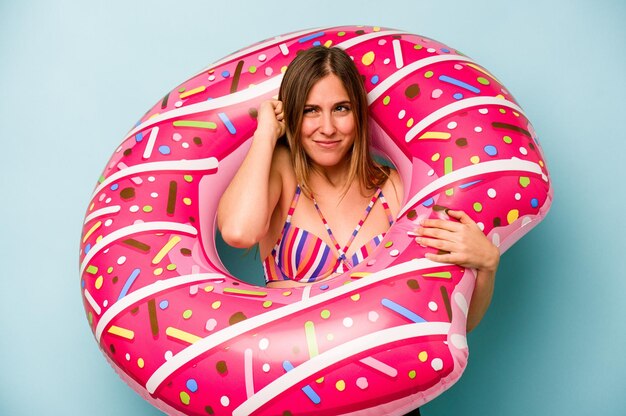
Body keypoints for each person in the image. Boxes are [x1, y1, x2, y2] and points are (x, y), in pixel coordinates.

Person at [218, 44, 499, 364]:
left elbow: (452, 322)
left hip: (391, 392)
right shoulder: (281, 174)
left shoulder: (393, 188)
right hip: (301, 391)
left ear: (358, 113)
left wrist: (487, 266)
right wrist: (266, 133)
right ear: (292, 114)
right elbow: (238, 232)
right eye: (311, 110)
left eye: (341, 108)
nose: (327, 128)